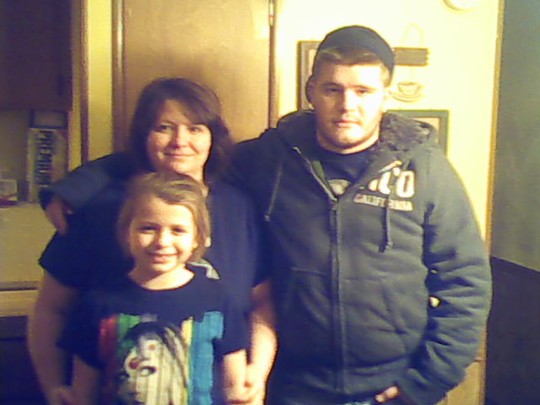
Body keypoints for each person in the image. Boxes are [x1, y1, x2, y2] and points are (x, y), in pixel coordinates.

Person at [34, 25, 492, 405]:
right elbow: (179, 161)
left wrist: (428, 380)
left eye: (363, 91)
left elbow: (466, 282)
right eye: (332, 89)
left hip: (393, 383)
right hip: (292, 386)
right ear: (311, 91)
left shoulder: (426, 169)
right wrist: (81, 182)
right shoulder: (271, 159)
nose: (347, 105)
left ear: (385, 96)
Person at [27, 78, 276, 405]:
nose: (180, 141)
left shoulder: (239, 208)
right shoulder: (98, 209)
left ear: (212, 137)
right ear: (144, 135)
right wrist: (55, 388)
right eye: (164, 128)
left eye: (195, 128)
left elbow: (261, 303)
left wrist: (256, 372)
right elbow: (51, 309)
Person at [59, 173, 254, 404]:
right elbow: (84, 392)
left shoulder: (218, 299)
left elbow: (235, 388)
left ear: (198, 238)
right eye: (148, 228)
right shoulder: (98, 303)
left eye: (178, 230)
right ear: (126, 233)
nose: (162, 241)